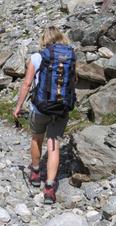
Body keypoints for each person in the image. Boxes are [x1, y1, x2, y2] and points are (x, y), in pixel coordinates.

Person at [13, 26, 76, 204]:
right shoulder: (70, 56)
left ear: (44, 39)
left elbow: (26, 83)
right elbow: (74, 80)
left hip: (40, 107)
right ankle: (49, 187)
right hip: (61, 108)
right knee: (54, 144)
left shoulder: (38, 56)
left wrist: (18, 106)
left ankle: (35, 172)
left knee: (36, 138)